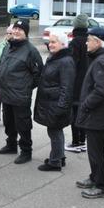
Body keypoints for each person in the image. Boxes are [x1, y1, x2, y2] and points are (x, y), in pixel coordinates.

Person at [0, 19, 43, 164]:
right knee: (8, 121)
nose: (17, 32)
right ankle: (11, 145)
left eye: (21, 30)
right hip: (5, 93)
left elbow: (39, 74)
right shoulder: (8, 46)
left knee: (23, 124)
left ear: (26, 33)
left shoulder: (31, 51)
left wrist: (26, 86)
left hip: (20, 95)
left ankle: (26, 151)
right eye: (15, 29)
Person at [75, 27, 104, 199]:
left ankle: (101, 186)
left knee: (95, 152)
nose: (86, 43)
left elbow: (102, 90)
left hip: (98, 116)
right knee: (95, 151)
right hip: (100, 115)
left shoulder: (101, 61)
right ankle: (94, 177)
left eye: (89, 40)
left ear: (98, 42)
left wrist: (85, 105)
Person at [34, 32, 75, 171]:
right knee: (55, 131)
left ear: (63, 44)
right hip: (51, 103)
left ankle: (55, 162)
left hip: (56, 105)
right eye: (49, 42)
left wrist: (61, 108)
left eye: (54, 42)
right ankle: (59, 157)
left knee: (54, 131)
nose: (50, 44)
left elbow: (67, 88)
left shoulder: (65, 61)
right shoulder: (55, 58)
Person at [66, 13, 90, 153]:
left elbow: (71, 64)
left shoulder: (75, 42)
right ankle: (83, 140)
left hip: (76, 85)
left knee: (74, 113)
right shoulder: (89, 40)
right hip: (87, 84)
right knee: (83, 112)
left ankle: (76, 141)